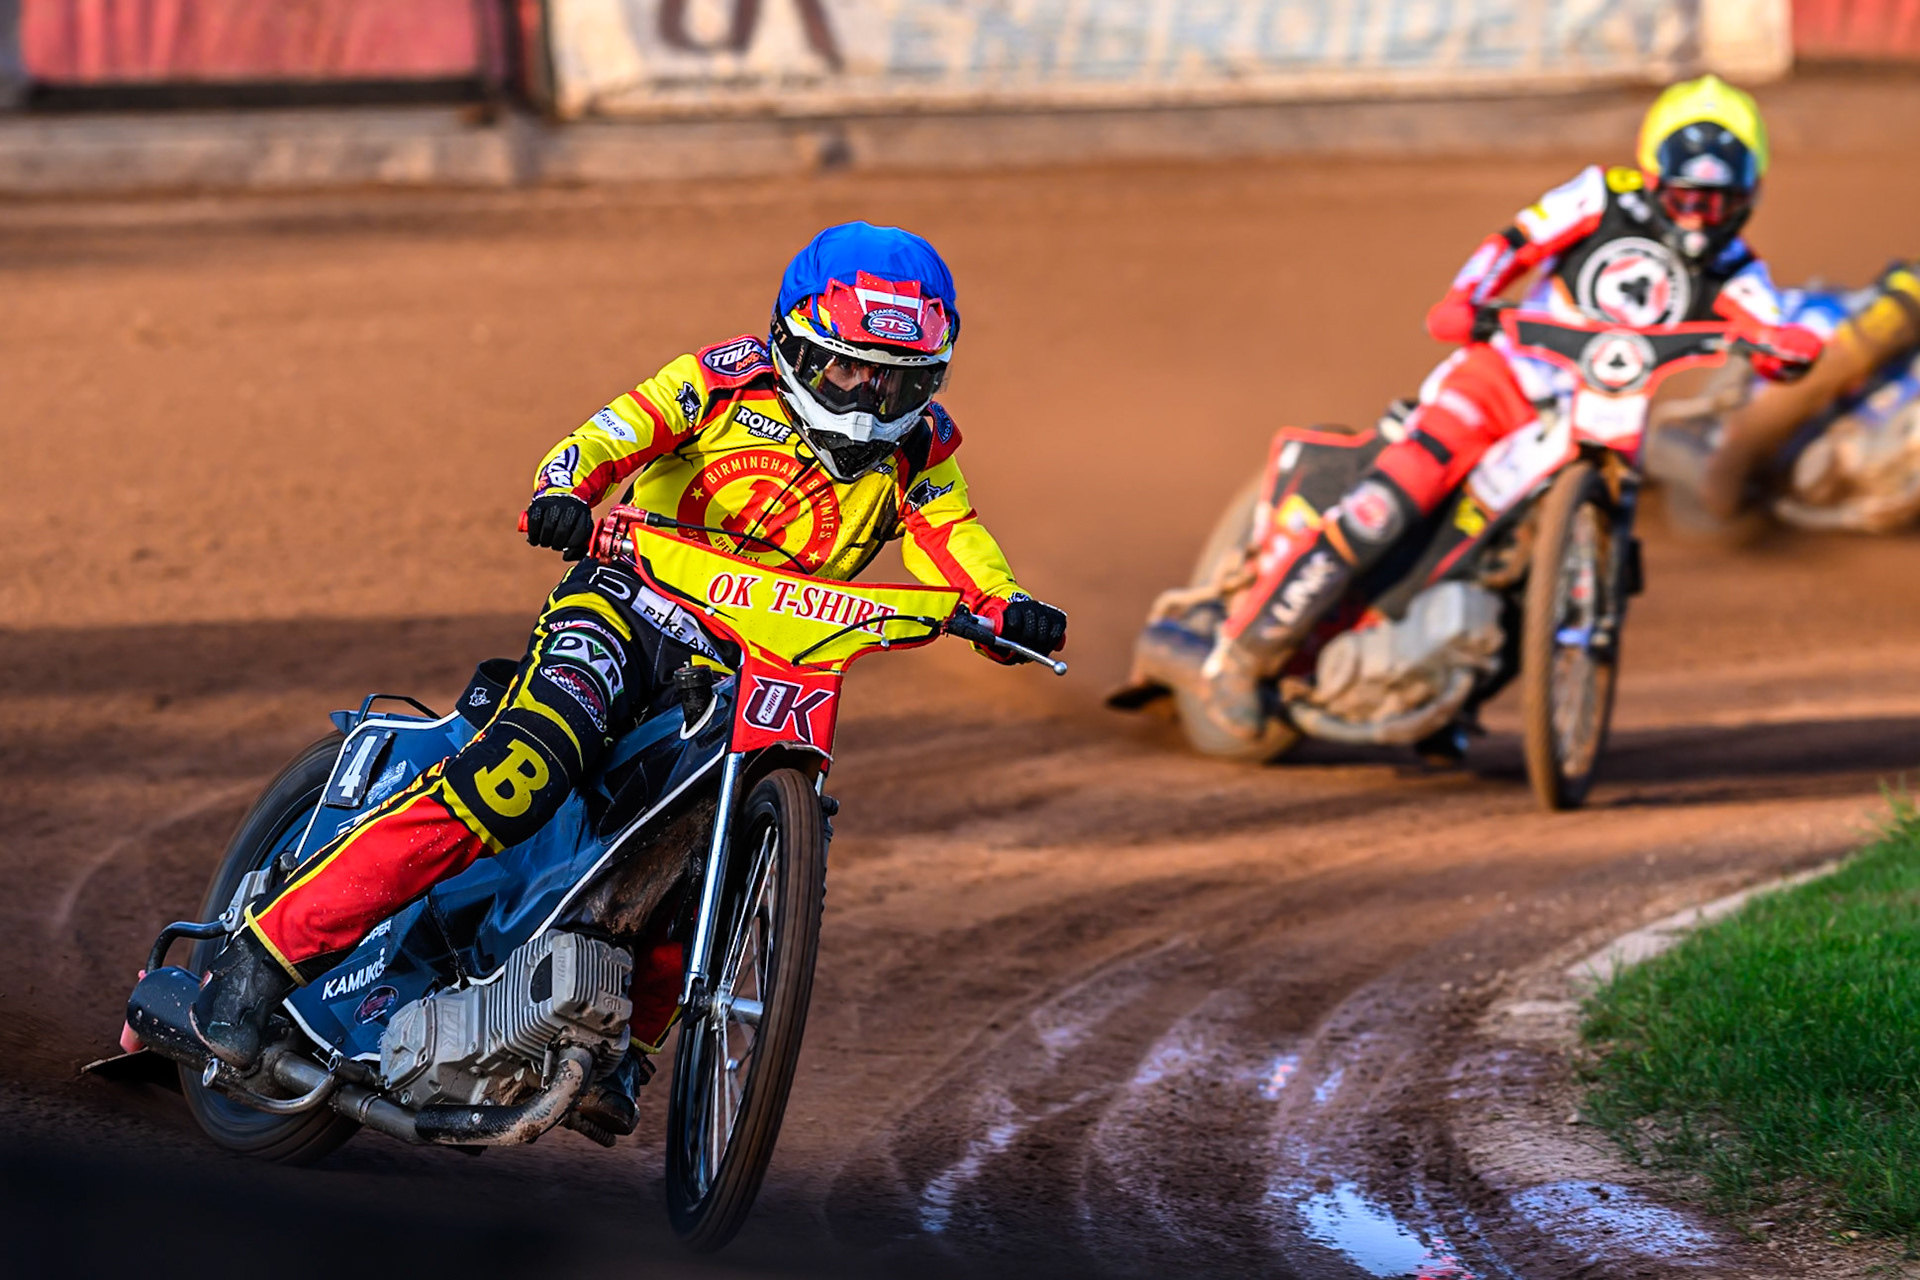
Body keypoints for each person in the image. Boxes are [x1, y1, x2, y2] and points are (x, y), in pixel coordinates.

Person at [187, 221, 1068, 1135]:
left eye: (900, 379)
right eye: (852, 368)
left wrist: (1004, 608)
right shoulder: (721, 379)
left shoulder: (920, 450)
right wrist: (561, 490)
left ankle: (625, 1048)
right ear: (798, 343)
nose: (872, 398)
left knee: (725, 844)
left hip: (751, 662)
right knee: (526, 767)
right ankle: (263, 957)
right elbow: (610, 433)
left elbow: (956, 541)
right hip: (624, 606)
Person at [1197, 74, 1823, 741]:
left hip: (1605, 418)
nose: (1699, 216)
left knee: (1540, 578)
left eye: (1719, 201)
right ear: (1652, 174)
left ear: (1748, 197)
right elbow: (1515, 242)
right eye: (1685, 195)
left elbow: (1770, 332)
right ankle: (1242, 654)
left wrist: (1788, 351)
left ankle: (1448, 692)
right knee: (1390, 500)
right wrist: (1466, 297)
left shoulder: (1737, 271)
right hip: (1505, 380)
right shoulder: (1599, 196)